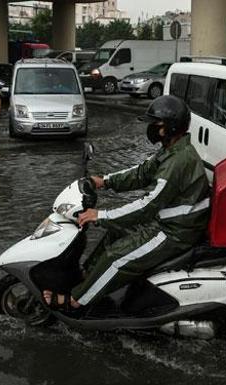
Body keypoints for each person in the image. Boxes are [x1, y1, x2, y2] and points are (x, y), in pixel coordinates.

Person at [43, 95, 211, 310]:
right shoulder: (170, 151)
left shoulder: (178, 162)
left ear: (168, 128)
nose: (150, 128)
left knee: (116, 258)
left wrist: (100, 215)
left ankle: (77, 300)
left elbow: (148, 205)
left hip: (175, 232)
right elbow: (141, 173)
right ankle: (89, 278)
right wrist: (104, 181)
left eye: (154, 124)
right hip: (167, 222)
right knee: (114, 234)